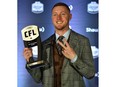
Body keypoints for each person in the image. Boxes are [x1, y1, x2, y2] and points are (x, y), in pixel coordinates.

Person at [23, 2, 95, 87]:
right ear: (51, 18)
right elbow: (38, 78)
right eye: (55, 14)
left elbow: (90, 73)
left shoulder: (83, 41)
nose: (58, 18)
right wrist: (29, 60)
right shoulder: (44, 44)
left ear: (70, 17)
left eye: (63, 14)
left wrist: (74, 58)